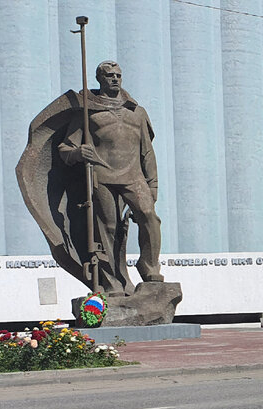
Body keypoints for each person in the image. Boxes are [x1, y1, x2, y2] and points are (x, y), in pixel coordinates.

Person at [58, 60, 163, 297]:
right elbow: (65, 147)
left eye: (118, 75)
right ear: (99, 79)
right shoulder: (87, 111)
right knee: (109, 228)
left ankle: (149, 267)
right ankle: (112, 281)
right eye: (109, 75)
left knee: (149, 217)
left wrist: (152, 183)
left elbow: (147, 151)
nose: (115, 79)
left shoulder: (136, 112)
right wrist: (77, 153)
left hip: (134, 176)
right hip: (102, 175)